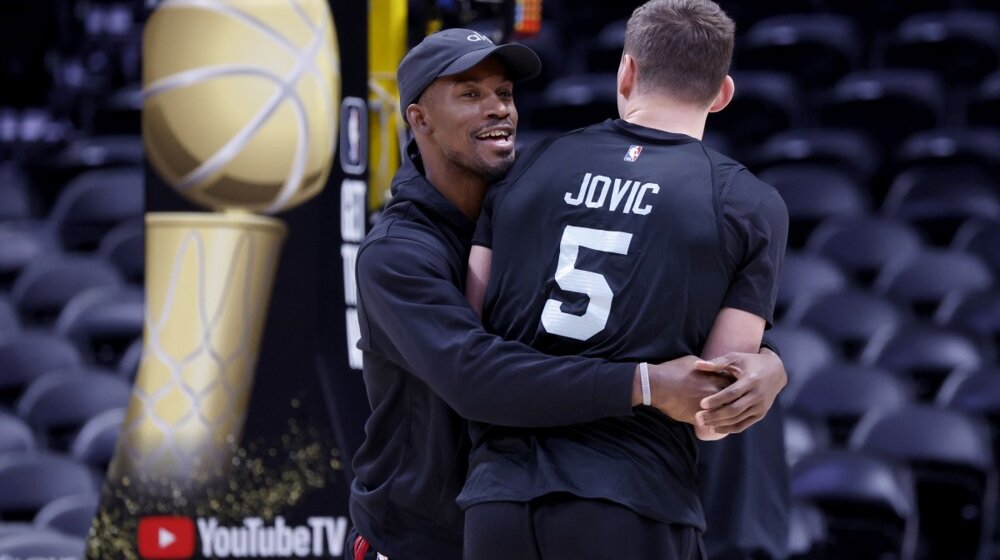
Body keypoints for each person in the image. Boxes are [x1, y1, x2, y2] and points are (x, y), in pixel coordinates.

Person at [348, 27, 787, 560]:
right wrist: (644, 384)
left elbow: (647, 305)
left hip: (497, 514)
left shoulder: (529, 197)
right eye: (470, 94)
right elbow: (476, 375)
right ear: (419, 119)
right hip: (418, 538)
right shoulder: (395, 254)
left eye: (504, 93)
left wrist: (768, 362)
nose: (498, 108)